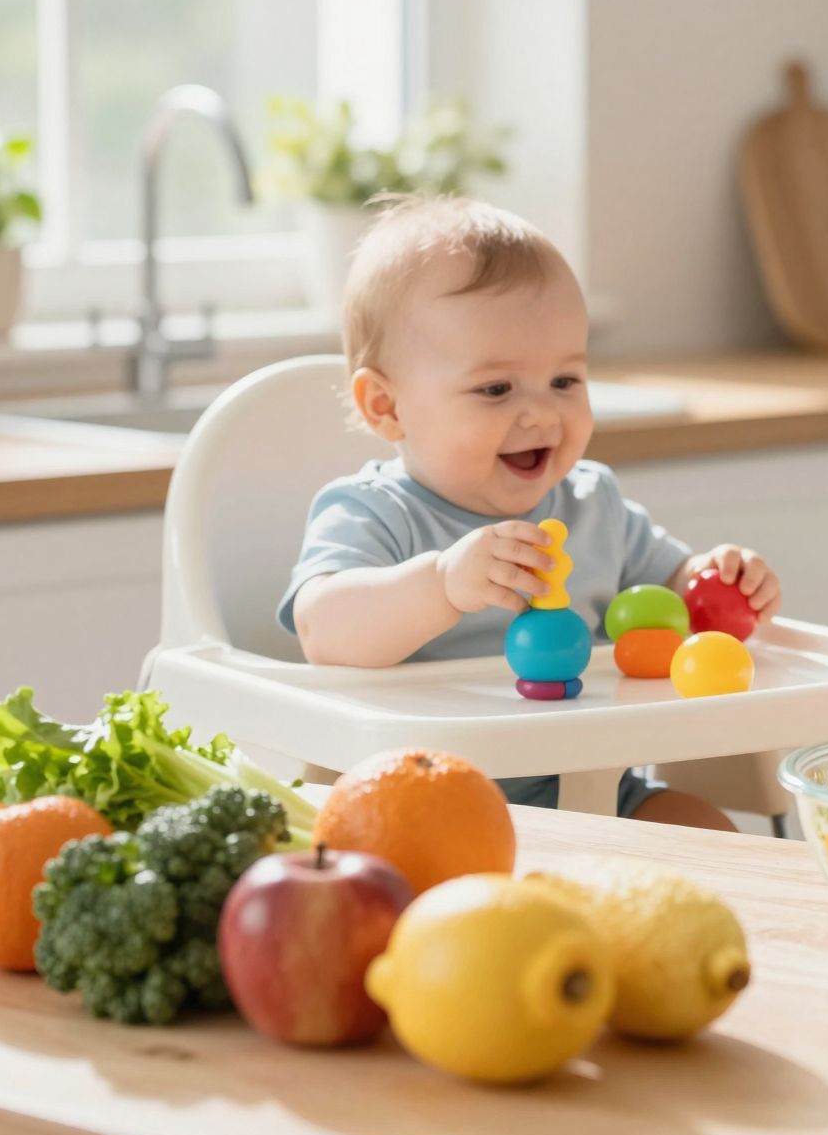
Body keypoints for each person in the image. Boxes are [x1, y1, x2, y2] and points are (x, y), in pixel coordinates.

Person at [281, 195, 780, 829]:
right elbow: (324, 630)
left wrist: (721, 576)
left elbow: (674, 592)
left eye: (566, 381)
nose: (542, 413)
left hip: (592, 787)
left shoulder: (591, 503)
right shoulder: (375, 514)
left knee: (708, 829)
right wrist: (442, 584)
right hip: (420, 803)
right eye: (496, 388)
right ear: (386, 406)